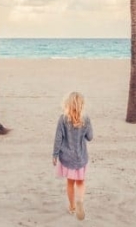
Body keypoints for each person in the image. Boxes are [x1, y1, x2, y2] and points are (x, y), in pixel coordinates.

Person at [52, 91, 93, 220]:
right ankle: (80, 200)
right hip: (80, 157)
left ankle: (72, 206)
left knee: (70, 183)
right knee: (80, 181)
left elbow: (58, 138)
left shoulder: (63, 119)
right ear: (82, 105)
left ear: (67, 104)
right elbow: (90, 137)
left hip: (67, 158)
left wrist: (55, 154)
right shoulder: (86, 119)